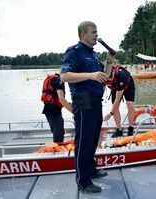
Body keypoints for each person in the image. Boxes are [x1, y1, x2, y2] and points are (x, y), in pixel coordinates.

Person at [60, 21, 114, 193]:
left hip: (96, 102)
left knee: (92, 139)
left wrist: (109, 61)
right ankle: (83, 181)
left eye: (97, 32)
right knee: (83, 141)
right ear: (83, 34)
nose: (96, 35)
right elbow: (64, 76)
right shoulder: (74, 52)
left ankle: (90, 169)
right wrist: (90, 75)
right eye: (93, 32)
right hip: (83, 103)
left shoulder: (92, 54)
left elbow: (105, 76)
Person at [104, 65, 135, 137]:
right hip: (115, 87)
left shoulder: (121, 76)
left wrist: (110, 114)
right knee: (115, 108)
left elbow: (117, 100)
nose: (108, 81)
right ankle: (119, 130)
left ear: (113, 74)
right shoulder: (103, 77)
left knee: (130, 106)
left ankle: (130, 128)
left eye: (110, 80)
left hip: (128, 85)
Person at [41, 73, 73, 142]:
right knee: (59, 133)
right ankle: (58, 149)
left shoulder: (52, 78)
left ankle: (57, 146)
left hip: (48, 109)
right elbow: (61, 99)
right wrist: (74, 112)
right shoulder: (59, 81)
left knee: (57, 132)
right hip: (54, 111)